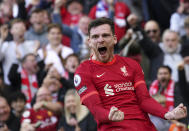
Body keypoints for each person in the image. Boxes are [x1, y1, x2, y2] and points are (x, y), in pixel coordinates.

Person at [74, 18, 187, 130]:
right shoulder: (83, 71)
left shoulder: (131, 64)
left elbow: (144, 100)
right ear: (89, 42)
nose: (100, 40)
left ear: (114, 39)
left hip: (145, 126)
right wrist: (109, 115)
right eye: (95, 37)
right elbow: (96, 109)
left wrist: (167, 114)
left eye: (105, 35)